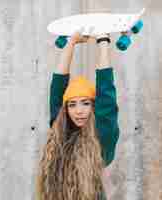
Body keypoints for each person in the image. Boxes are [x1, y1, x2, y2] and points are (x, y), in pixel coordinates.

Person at [35, 31, 120, 200]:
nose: (79, 110)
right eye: (72, 104)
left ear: (94, 107)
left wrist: (103, 41)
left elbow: (106, 91)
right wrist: (71, 43)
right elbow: (58, 86)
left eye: (85, 103)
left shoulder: (103, 137)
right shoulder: (60, 132)